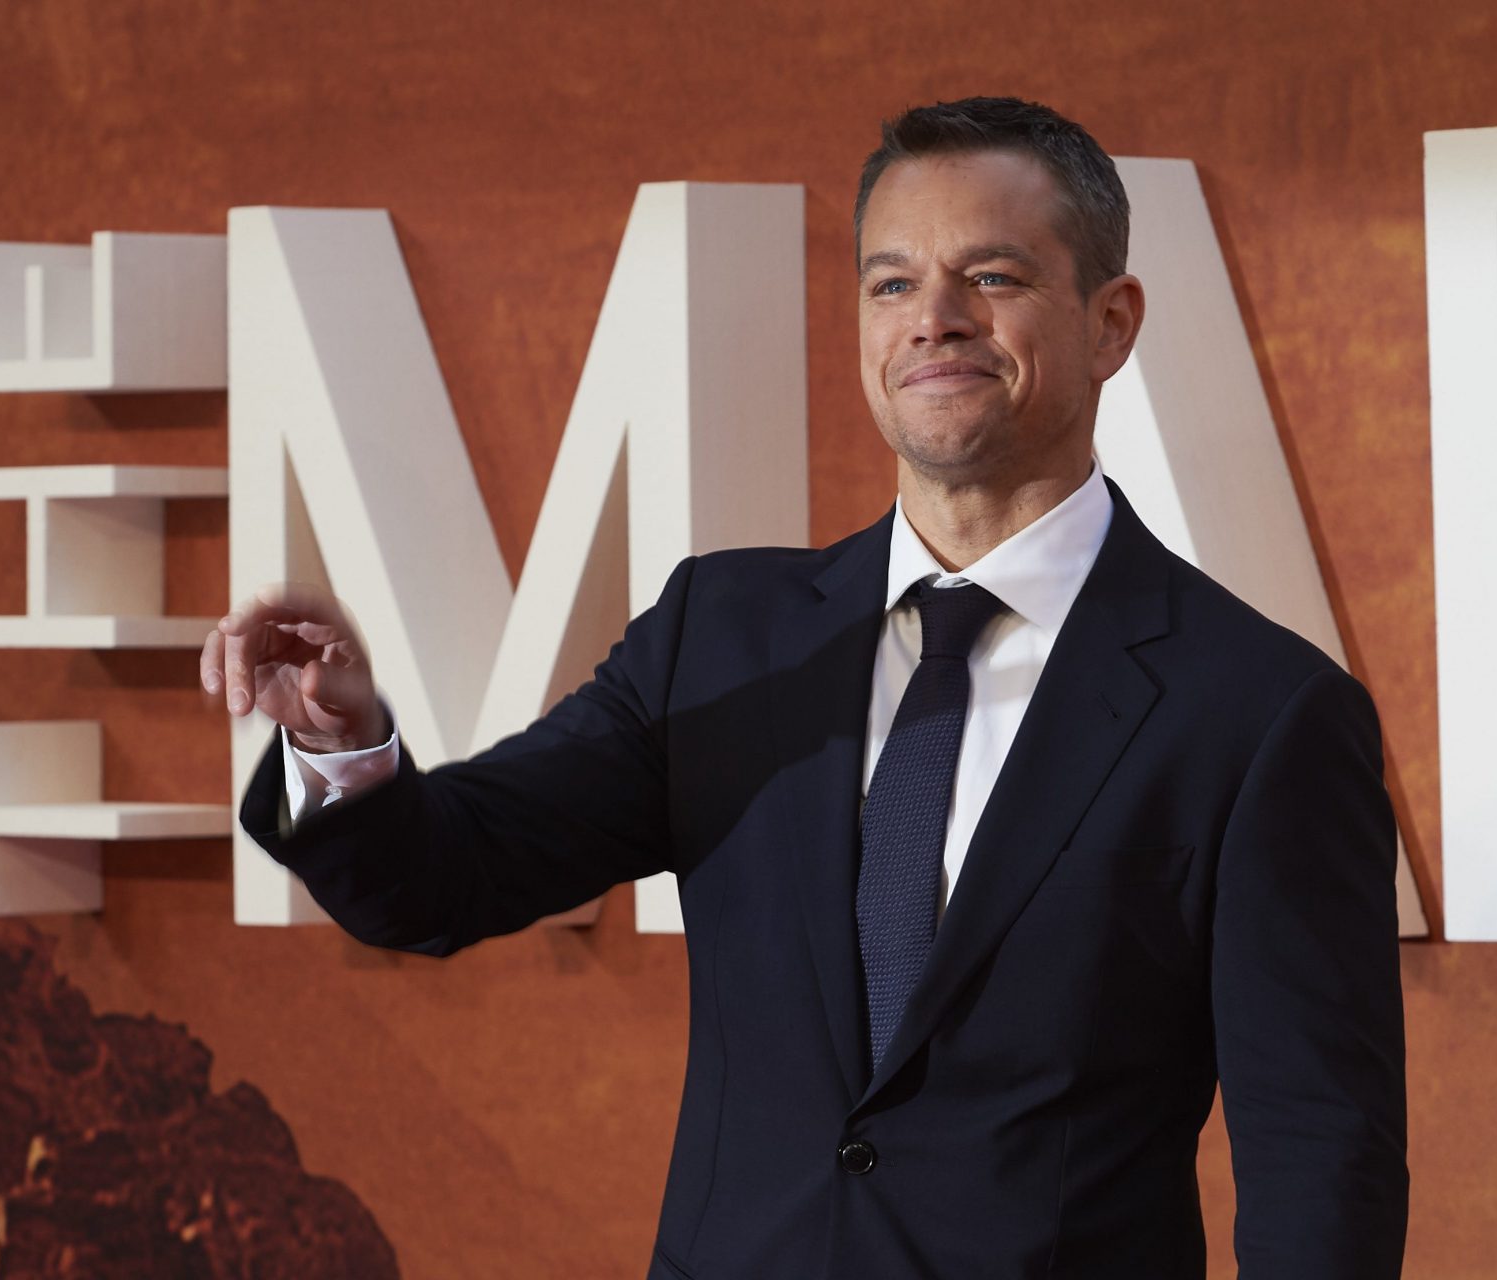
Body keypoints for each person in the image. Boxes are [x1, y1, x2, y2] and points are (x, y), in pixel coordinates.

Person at [205, 96, 1406, 1278]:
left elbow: (1321, 1156)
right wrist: (342, 741)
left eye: (990, 276)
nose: (933, 319)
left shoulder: (1257, 712)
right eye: (891, 284)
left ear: (1111, 320)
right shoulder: (722, 635)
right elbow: (439, 877)